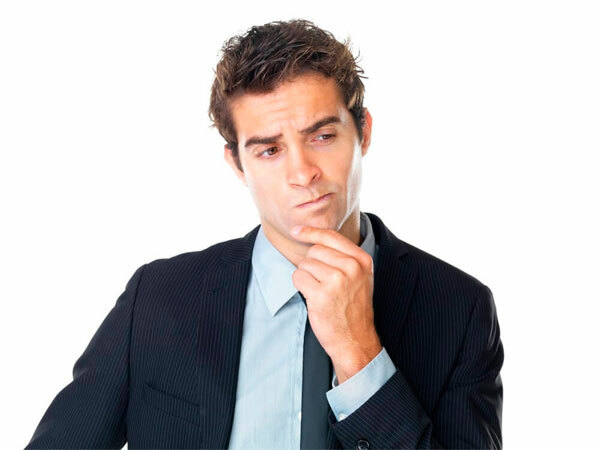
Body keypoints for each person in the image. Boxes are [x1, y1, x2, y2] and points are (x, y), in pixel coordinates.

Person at [26, 19, 503, 449]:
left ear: (364, 132)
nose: (303, 173)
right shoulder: (157, 299)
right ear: (238, 164)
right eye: (270, 150)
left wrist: (359, 354)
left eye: (322, 136)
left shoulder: (459, 310)